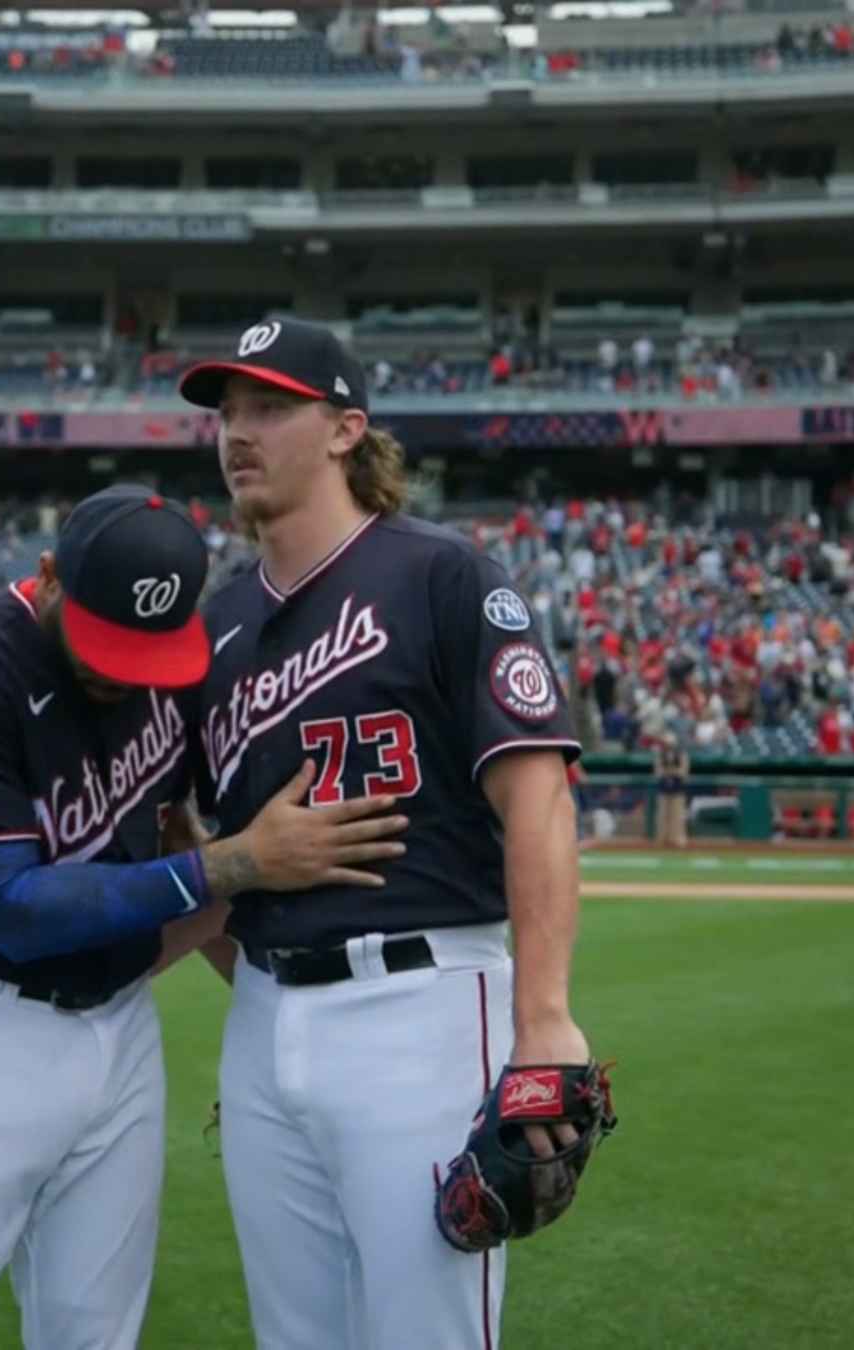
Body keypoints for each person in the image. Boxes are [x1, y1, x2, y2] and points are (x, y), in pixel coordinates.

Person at [0, 483, 410, 1350]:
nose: (119, 672)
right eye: (101, 642)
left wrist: (288, 1043)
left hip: (119, 1033)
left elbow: (195, 846)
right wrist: (234, 861)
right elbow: (13, 908)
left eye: (143, 651)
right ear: (46, 577)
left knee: (94, 1335)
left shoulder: (173, 674)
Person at [174, 318, 595, 1348]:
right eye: (228, 412)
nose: (240, 431)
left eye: (271, 407)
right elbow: (197, 836)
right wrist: (279, 1028)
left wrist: (542, 1020)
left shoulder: (444, 576)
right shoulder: (214, 629)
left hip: (424, 1005)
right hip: (264, 1022)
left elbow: (537, 796)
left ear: (345, 430)